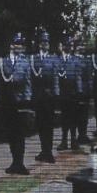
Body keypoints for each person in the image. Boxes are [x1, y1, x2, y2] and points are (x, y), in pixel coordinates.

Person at [0, 32, 34, 175]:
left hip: (21, 102)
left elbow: (28, 82)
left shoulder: (25, 62)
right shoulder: (3, 61)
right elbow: (0, 82)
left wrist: (28, 100)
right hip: (8, 101)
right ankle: (14, 162)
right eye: (16, 44)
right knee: (11, 133)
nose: (19, 47)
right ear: (11, 45)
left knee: (20, 133)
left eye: (21, 44)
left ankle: (20, 162)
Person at [30, 29, 59, 163]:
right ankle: (43, 150)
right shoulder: (33, 58)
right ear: (39, 44)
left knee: (49, 124)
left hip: (49, 95)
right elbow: (31, 78)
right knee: (40, 124)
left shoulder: (53, 58)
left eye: (47, 42)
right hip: (38, 95)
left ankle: (49, 151)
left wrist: (55, 93)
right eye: (43, 42)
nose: (45, 44)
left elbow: (56, 78)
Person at [57, 34, 88, 151]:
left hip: (73, 92)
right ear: (63, 46)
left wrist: (80, 91)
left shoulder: (75, 60)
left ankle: (74, 140)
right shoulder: (58, 59)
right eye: (67, 45)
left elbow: (78, 76)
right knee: (64, 117)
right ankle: (64, 140)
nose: (69, 47)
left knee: (74, 117)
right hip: (62, 92)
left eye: (70, 45)